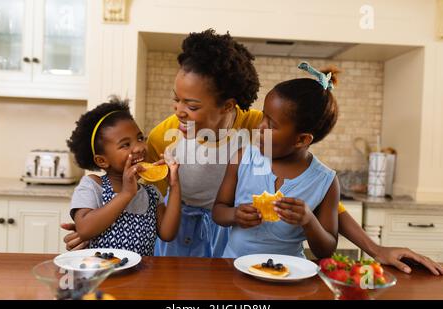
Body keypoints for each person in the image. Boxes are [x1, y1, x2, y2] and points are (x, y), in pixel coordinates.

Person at [61, 29, 442, 274]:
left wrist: (375, 249)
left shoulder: (257, 129)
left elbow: (324, 197)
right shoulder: (166, 134)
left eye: (192, 106)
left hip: (227, 238)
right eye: (176, 100)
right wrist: (92, 228)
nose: (178, 113)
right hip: (176, 235)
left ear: (228, 106)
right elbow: (129, 182)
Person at [213, 62, 340, 259]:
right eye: (263, 117)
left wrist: (309, 221)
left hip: (289, 275)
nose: (260, 126)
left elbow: (326, 250)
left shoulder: (326, 181)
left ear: (302, 139)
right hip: (233, 270)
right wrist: (235, 215)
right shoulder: (242, 158)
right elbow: (218, 211)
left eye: (271, 124)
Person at [66, 97, 181, 256]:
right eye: (125, 144)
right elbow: (85, 229)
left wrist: (174, 185)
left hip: (142, 278)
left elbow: (168, 234)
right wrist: (127, 193)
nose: (139, 147)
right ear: (102, 161)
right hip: (101, 276)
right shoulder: (93, 185)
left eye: (140, 138)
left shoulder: (151, 193)